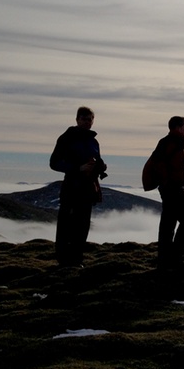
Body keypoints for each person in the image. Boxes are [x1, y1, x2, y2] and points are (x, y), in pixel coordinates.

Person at [49, 106, 106, 267]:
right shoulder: (67, 138)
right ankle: (63, 261)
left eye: (90, 119)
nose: (88, 122)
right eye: (84, 119)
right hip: (72, 188)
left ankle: (76, 259)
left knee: (82, 225)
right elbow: (54, 163)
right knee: (67, 225)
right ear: (77, 119)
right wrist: (77, 168)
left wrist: (99, 167)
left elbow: (95, 161)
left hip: (88, 188)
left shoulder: (93, 141)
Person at [148, 116, 184, 272]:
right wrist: (168, 183)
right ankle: (174, 257)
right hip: (172, 188)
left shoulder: (171, 142)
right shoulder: (170, 142)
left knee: (168, 224)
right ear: (177, 127)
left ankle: (165, 261)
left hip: (170, 187)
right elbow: (159, 163)